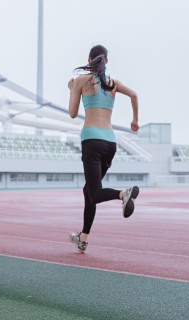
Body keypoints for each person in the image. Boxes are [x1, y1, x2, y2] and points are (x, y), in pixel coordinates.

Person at [67, 45, 139, 254]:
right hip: (110, 144)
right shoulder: (113, 83)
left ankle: (123, 194)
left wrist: (72, 90)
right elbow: (134, 95)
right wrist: (135, 120)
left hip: (91, 140)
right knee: (88, 191)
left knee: (95, 192)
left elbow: (73, 113)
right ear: (106, 61)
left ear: (88, 59)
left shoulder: (80, 80)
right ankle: (83, 238)